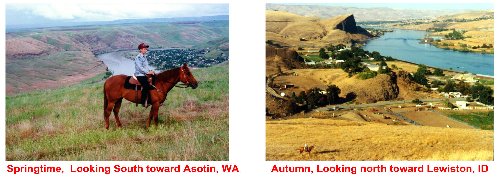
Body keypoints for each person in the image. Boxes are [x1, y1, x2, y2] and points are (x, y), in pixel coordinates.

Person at [134, 43, 155, 107]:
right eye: (144, 49)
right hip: (140, 74)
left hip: (145, 73)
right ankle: (143, 101)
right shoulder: (138, 57)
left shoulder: (144, 57)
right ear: (140, 50)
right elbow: (140, 67)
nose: (146, 50)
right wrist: (147, 72)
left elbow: (146, 66)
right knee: (146, 86)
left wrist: (150, 71)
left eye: (146, 49)